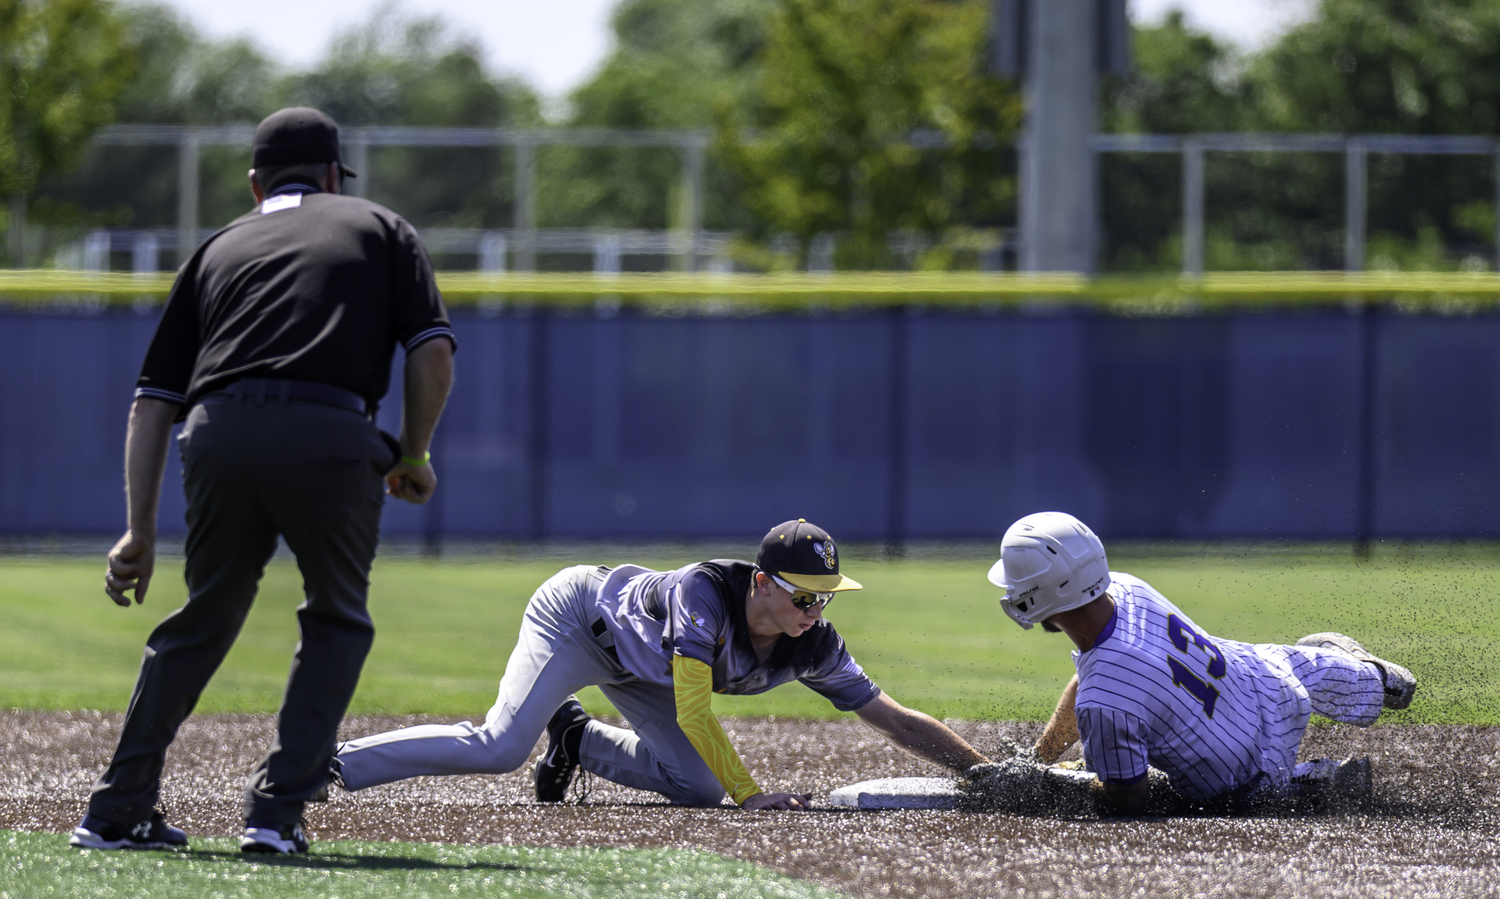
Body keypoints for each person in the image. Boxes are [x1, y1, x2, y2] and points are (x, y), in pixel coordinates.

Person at [70, 107, 456, 854]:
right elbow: (432, 355)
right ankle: (275, 815)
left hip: (217, 434)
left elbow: (153, 401)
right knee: (337, 617)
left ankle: (116, 809)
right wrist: (413, 454)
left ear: (255, 185)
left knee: (205, 615)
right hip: (330, 434)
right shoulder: (380, 227)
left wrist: (139, 530)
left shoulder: (218, 247)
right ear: (334, 175)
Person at [334, 519, 987, 808]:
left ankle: (576, 738)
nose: (815, 609)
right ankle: (324, 766)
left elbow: (894, 720)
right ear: (762, 582)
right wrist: (752, 794)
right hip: (579, 621)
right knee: (498, 747)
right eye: (802, 594)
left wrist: (987, 774)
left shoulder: (813, 641)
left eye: (825, 597)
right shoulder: (704, 593)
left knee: (699, 787)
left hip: (645, 667)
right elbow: (694, 707)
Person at [977, 511, 1417, 815]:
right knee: (1290, 662)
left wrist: (1049, 782)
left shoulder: (1103, 699)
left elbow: (1128, 798)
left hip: (1247, 775)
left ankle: (1311, 783)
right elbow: (1099, 674)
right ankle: (1373, 681)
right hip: (1266, 680)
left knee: (1199, 788)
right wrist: (1039, 758)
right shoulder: (1129, 588)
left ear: (1040, 596)